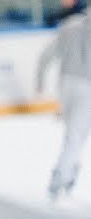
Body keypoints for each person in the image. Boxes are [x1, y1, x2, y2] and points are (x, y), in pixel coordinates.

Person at [36, 11, 91, 199]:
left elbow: (47, 54)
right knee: (75, 135)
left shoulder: (69, 25)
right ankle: (61, 176)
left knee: (75, 133)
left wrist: (40, 78)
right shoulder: (72, 26)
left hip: (66, 85)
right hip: (86, 87)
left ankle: (69, 171)